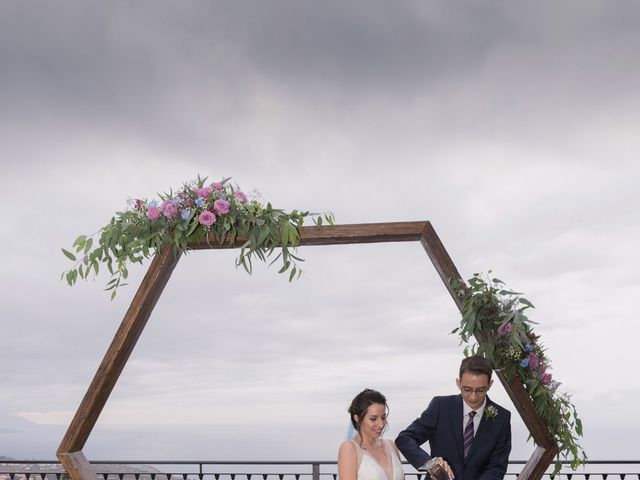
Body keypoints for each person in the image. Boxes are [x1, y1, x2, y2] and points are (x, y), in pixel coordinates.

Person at [395, 356, 511, 480]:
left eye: (480, 390)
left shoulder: (502, 417)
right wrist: (430, 463)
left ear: (490, 384)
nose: (473, 397)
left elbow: (497, 467)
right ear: (458, 383)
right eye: (467, 390)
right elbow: (404, 439)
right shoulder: (440, 406)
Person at [338, 389, 404, 480]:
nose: (381, 424)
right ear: (357, 418)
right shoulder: (349, 448)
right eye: (373, 419)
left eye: (383, 417)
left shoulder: (391, 446)